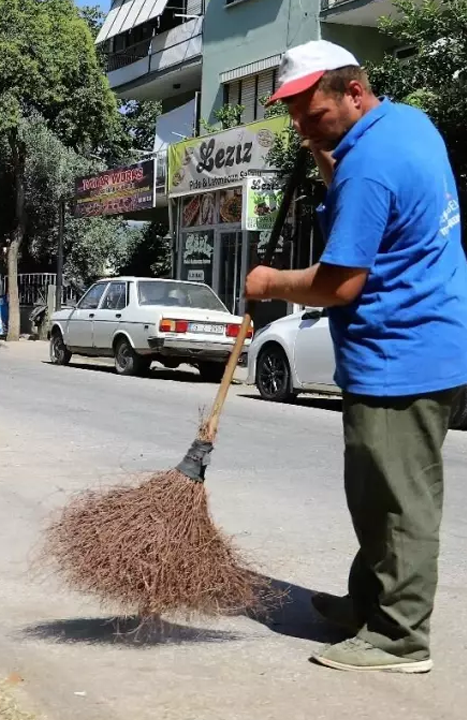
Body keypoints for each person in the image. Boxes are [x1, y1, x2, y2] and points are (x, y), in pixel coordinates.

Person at [246, 40, 467, 673]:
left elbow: (339, 284)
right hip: (429, 337)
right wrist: (324, 152)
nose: (299, 125)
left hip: (401, 354)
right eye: (291, 114)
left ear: (352, 90)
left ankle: (401, 638)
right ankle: (368, 603)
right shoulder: (408, 124)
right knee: (373, 494)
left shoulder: (370, 165)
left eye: (309, 113)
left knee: (399, 500)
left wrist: (267, 283)